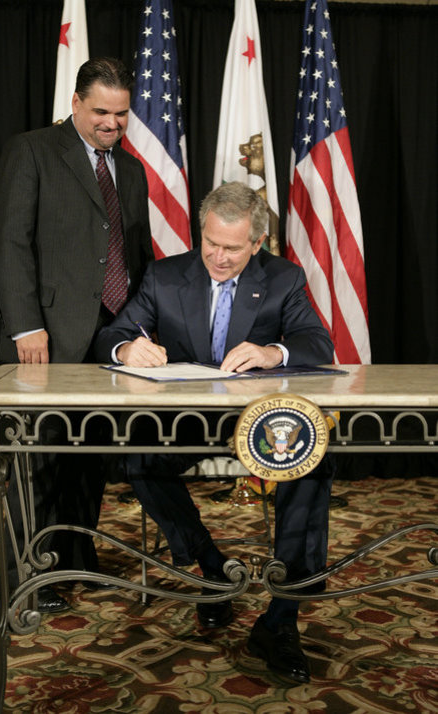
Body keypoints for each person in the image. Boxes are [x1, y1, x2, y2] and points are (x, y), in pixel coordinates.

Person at [94, 181, 335, 684]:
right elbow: (115, 332)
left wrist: (273, 354)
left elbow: (317, 342)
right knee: (139, 457)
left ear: (256, 244)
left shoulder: (283, 278)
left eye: (232, 248)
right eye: (210, 244)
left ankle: (280, 618)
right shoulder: (164, 275)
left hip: (260, 422)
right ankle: (210, 567)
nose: (219, 258)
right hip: (188, 418)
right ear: (200, 232)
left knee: (312, 462)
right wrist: (126, 350)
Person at [0, 57, 154, 613]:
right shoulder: (33, 150)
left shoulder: (130, 171)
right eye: (102, 113)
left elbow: (138, 256)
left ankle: (78, 558)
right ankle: (26, 577)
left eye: (122, 114)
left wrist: (142, 328)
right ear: (77, 104)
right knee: (37, 461)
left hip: (113, 338)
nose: (112, 124)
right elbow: (11, 243)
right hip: (47, 337)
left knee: (91, 454)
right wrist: (25, 325)